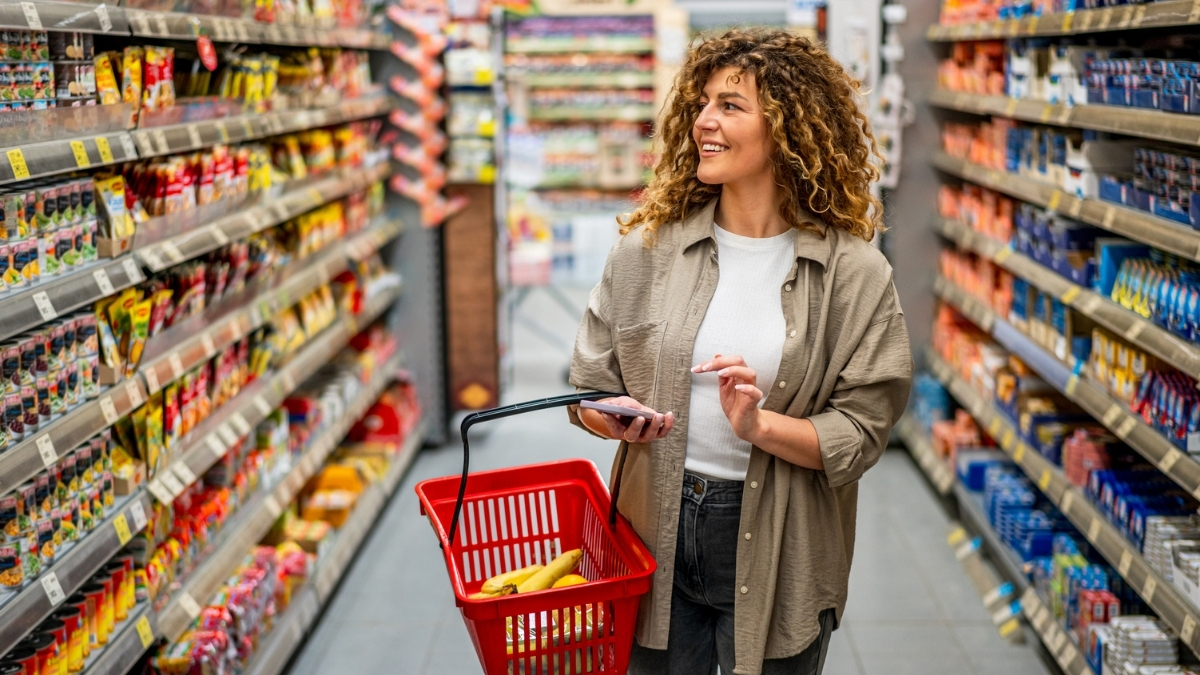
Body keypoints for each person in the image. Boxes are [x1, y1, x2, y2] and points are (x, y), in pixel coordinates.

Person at [567, 27, 914, 675]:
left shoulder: (852, 272)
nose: (703, 120)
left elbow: (862, 430)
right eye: (700, 104)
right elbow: (588, 384)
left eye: (730, 105)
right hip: (652, 528)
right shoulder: (646, 249)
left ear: (788, 126)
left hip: (782, 535)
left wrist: (758, 425)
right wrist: (605, 414)